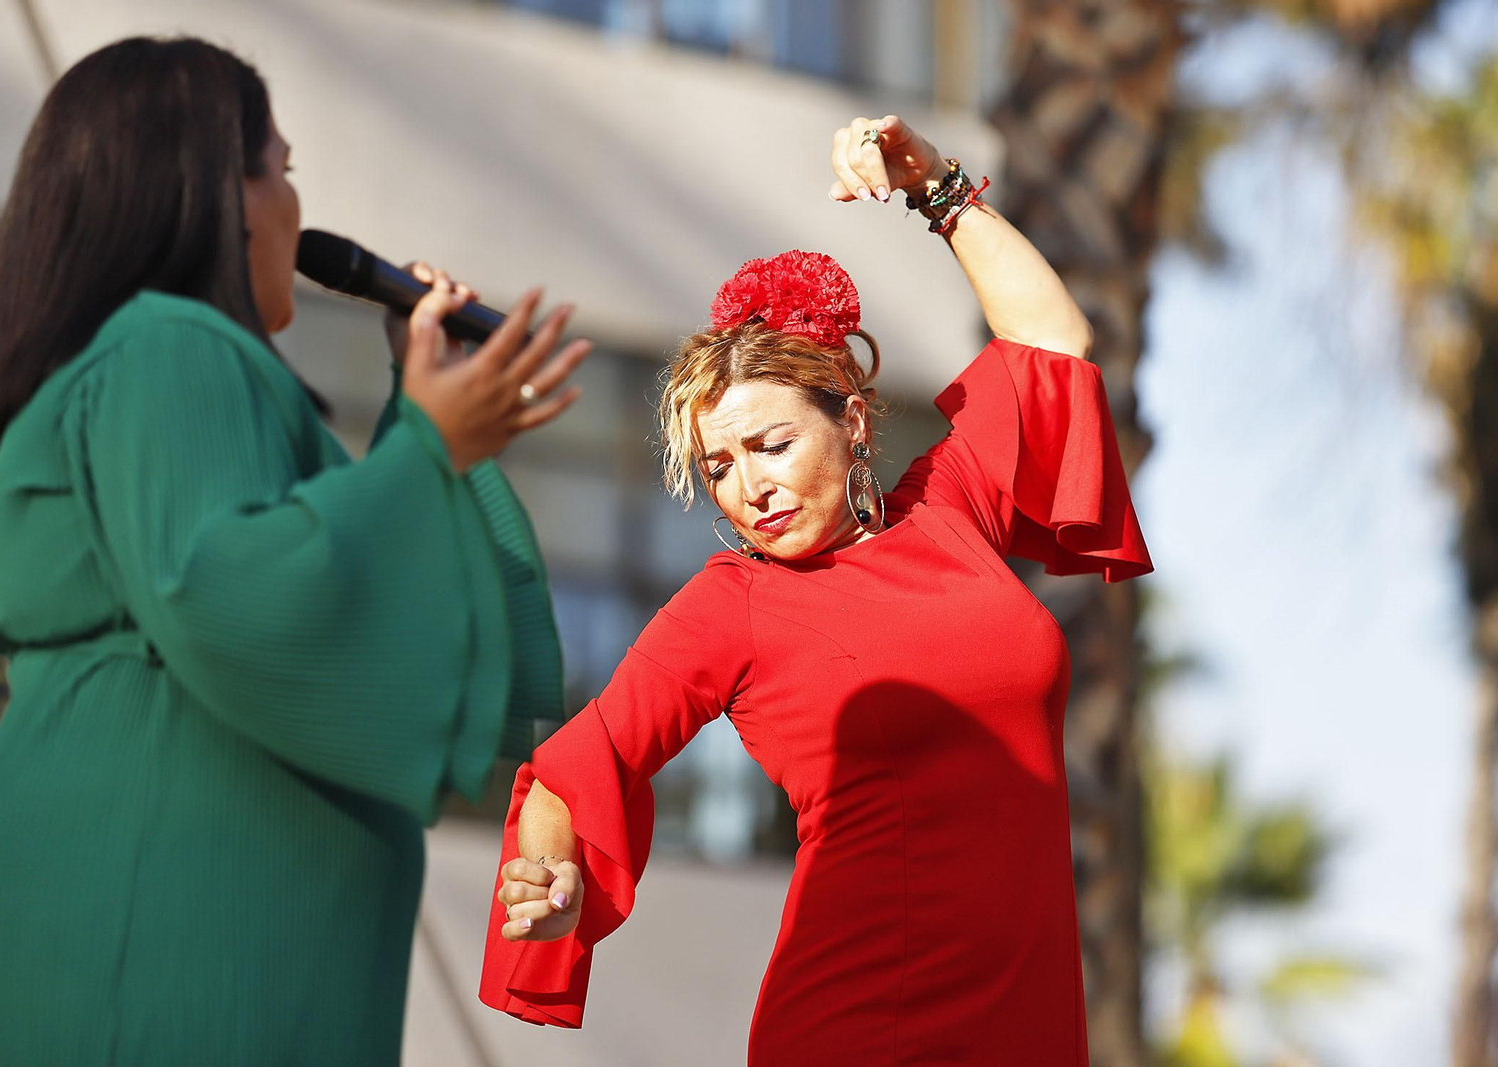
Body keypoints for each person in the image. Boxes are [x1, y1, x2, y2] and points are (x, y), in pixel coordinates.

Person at [479, 114, 1153, 1063]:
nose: (747, 485)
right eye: (718, 464)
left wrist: (932, 183)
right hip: (860, 1028)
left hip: (1027, 1023)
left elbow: (1050, 337)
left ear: (856, 421)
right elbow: (579, 761)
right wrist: (548, 873)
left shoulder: (951, 510)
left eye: (773, 443)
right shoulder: (736, 603)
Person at [0, 37, 586, 1064]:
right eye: (283, 170)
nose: (298, 211)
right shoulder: (166, 344)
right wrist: (432, 446)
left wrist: (428, 430)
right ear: (219, 195)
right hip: (150, 954)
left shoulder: (169, 365)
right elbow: (229, 590)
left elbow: (455, 654)